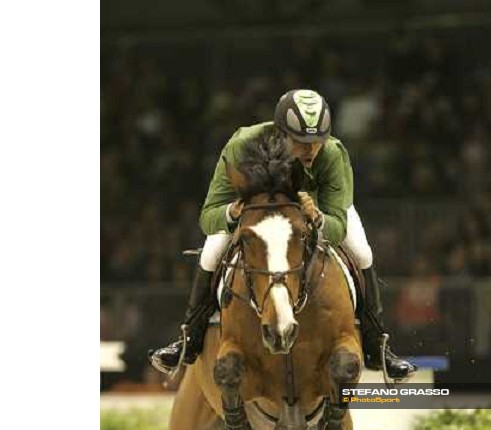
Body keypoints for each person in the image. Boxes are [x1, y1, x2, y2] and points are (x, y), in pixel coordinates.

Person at [149, 89, 414, 379]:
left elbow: (337, 224)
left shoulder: (333, 154)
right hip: (256, 215)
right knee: (212, 253)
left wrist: (318, 218)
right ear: (281, 133)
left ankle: (378, 346)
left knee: (362, 252)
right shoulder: (241, 147)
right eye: (301, 142)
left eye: (318, 140)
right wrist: (231, 214)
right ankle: (189, 339)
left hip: (318, 211)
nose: (312, 150)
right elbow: (208, 216)